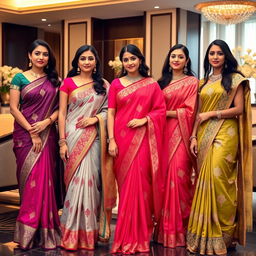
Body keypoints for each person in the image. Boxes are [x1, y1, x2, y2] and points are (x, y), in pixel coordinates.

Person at [187, 39, 252, 255]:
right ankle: (204, 233)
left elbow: (240, 110)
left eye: (220, 53)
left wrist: (211, 114)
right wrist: (193, 136)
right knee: (204, 181)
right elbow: (197, 112)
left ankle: (225, 232)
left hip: (226, 133)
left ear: (226, 56)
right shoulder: (202, 82)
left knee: (219, 180)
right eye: (212, 53)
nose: (215, 57)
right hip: (204, 133)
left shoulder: (235, 80)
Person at [108, 44, 166, 254]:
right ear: (122, 63)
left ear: (140, 60)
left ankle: (141, 237)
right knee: (125, 190)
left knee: (140, 188)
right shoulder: (115, 84)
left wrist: (145, 120)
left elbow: (160, 110)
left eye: (133, 58)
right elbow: (111, 113)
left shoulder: (151, 84)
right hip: (121, 142)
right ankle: (123, 237)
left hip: (142, 140)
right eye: (126, 59)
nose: (130, 62)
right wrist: (111, 140)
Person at [58, 45, 116, 251]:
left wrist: (94, 119)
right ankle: (71, 234)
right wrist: (62, 142)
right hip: (73, 137)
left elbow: (109, 112)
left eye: (90, 58)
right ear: (77, 61)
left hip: (94, 138)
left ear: (96, 62)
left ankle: (89, 235)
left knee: (91, 183)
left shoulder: (104, 85)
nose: (87, 62)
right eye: (83, 58)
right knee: (75, 186)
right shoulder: (67, 83)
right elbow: (63, 114)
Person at [10, 39, 61, 249]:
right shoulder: (19, 78)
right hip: (24, 136)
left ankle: (46, 232)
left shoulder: (55, 80)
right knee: (30, 184)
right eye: (37, 53)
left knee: (44, 182)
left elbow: (60, 110)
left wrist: (47, 122)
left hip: (48, 134)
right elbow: (14, 108)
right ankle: (27, 233)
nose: (41, 57)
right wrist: (33, 132)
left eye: (45, 54)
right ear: (29, 56)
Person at [154, 44, 198, 248]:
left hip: (181, 133)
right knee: (162, 181)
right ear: (169, 59)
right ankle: (163, 232)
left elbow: (190, 112)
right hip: (161, 135)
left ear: (187, 61)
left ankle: (180, 231)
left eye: (181, 56)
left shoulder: (192, 83)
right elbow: (152, 108)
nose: (177, 59)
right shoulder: (160, 83)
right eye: (173, 56)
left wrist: (166, 113)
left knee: (179, 179)